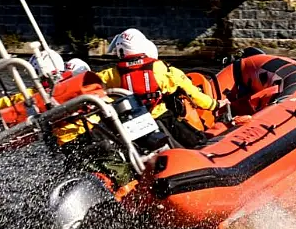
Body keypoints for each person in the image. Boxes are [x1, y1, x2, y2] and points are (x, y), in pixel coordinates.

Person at [97, 28, 228, 149]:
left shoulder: (111, 75)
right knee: (198, 143)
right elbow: (193, 94)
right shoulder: (161, 69)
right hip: (163, 118)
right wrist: (215, 105)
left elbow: (91, 84)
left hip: (133, 126)